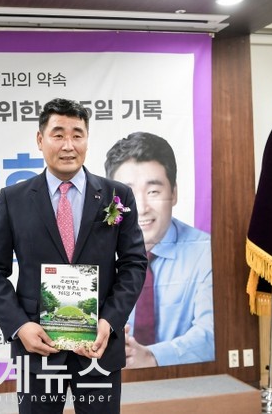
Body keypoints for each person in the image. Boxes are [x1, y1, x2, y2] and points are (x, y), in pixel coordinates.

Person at [0, 98, 147, 414]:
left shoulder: (117, 195)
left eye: (77, 135)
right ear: (40, 139)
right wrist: (20, 326)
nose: (68, 145)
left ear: (87, 139)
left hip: (98, 346)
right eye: (58, 134)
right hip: (38, 346)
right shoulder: (14, 199)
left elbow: (134, 264)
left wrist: (110, 321)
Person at [104, 131, 214, 369]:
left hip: (185, 381)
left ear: (173, 193)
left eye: (153, 192)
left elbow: (212, 334)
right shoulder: (90, 251)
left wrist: (152, 357)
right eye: (128, 194)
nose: (141, 208)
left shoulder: (206, 252)